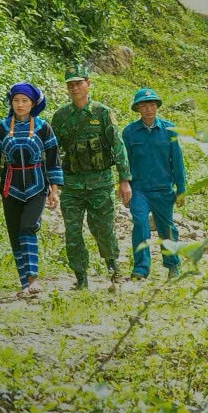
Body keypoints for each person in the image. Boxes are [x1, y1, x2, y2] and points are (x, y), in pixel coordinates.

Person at [49, 63, 131, 289]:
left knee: (103, 228)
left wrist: (124, 180)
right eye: (71, 85)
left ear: (88, 84)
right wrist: (52, 183)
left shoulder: (103, 113)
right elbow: (52, 152)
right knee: (73, 232)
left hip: (100, 182)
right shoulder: (61, 117)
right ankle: (81, 278)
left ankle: (114, 270)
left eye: (79, 83)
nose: (75, 88)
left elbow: (118, 146)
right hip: (72, 184)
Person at [0, 83, 62, 298]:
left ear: (33, 103)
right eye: (16, 100)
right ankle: (24, 283)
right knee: (15, 233)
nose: (20, 105)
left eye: (24, 101)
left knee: (28, 227)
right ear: (11, 103)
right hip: (10, 187)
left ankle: (33, 278)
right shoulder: (1, 127)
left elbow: (53, 160)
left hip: (37, 185)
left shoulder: (43, 127)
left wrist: (54, 190)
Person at [121, 88, 187, 281]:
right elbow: (124, 162)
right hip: (139, 189)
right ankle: (141, 269)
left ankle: (173, 265)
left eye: (152, 105)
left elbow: (178, 161)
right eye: (144, 105)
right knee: (140, 223)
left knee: (167, 228)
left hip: (163, 189)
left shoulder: (168, 130)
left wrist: (181, 189)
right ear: (138, 109)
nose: (149, 109)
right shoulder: (130, 132)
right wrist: (123, 184)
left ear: (156, 107)